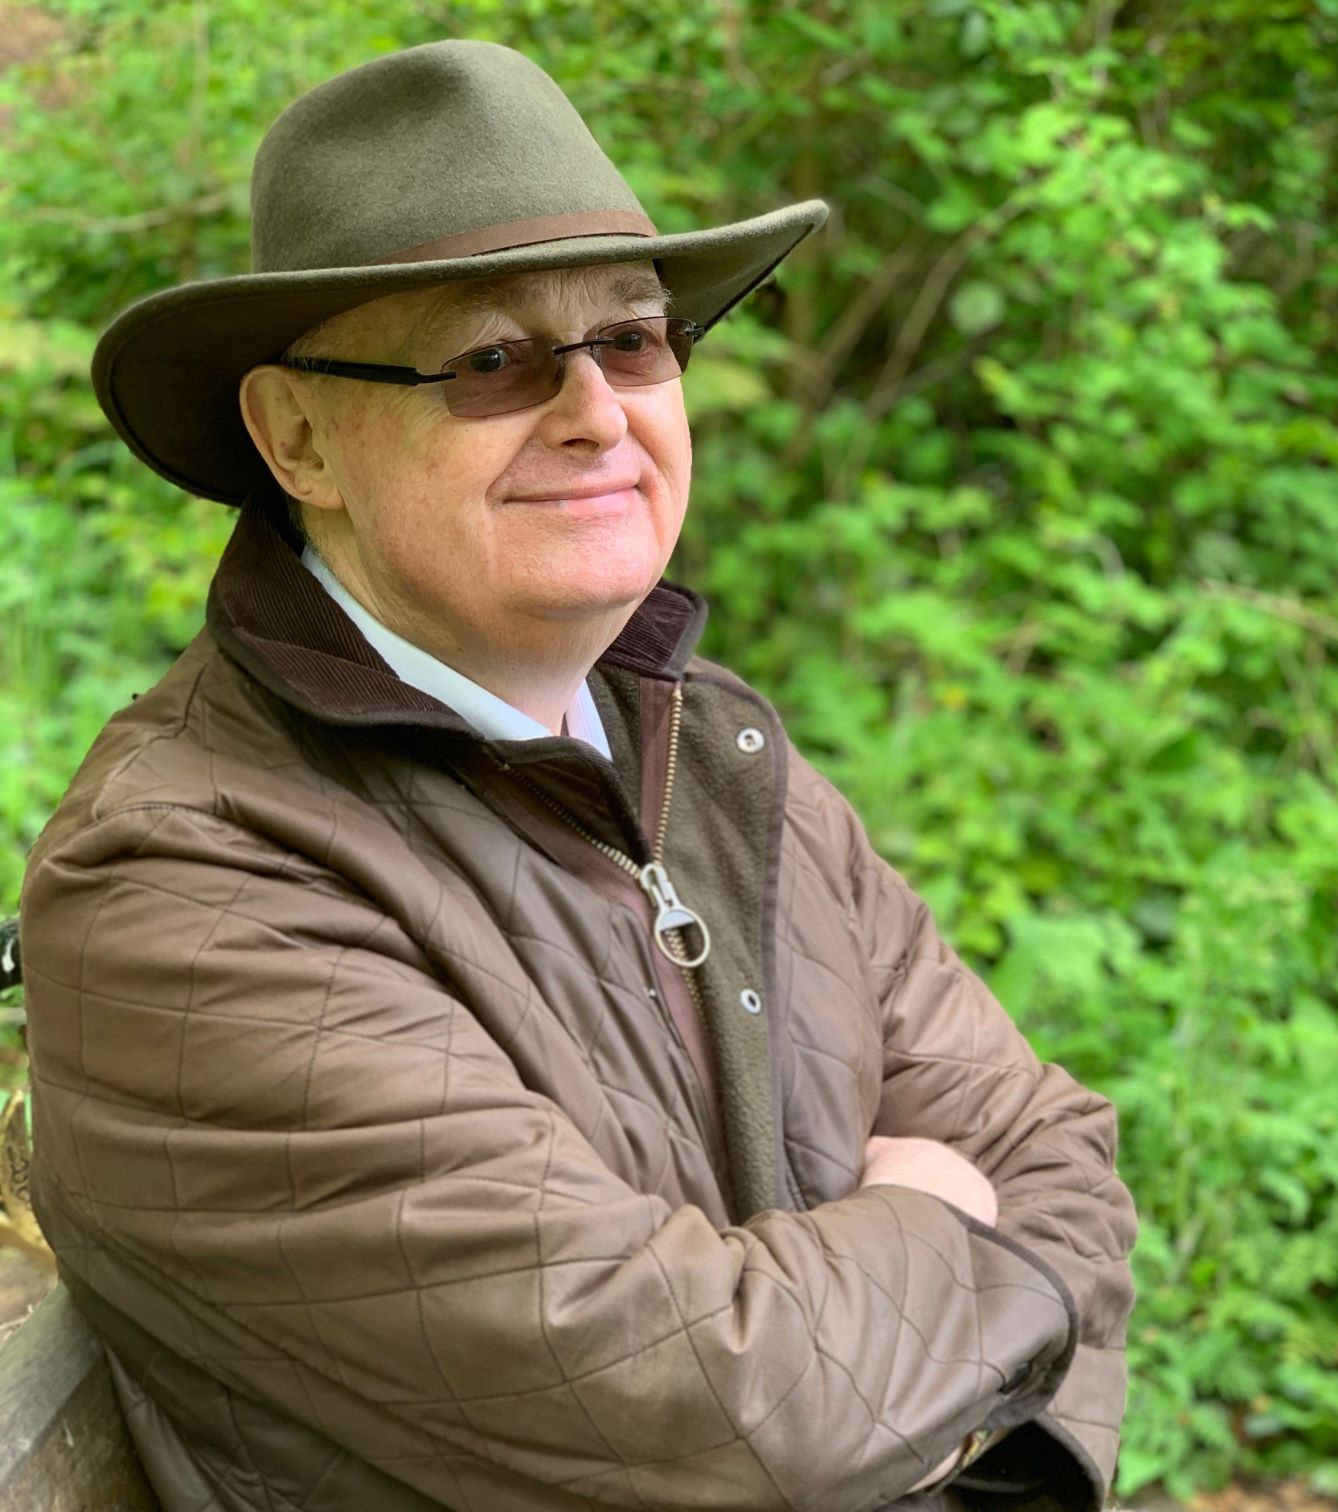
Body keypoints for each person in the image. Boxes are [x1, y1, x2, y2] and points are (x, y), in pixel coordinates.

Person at [18, 39, 1137, 1512]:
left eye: (634, 339)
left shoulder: (713, 750)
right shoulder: (194, 886)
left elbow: (1058, 1157)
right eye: (492, 361)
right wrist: (938, 1225)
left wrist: (949, 1409)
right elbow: (721, 1412)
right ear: (300, 437)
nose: (599, 412)